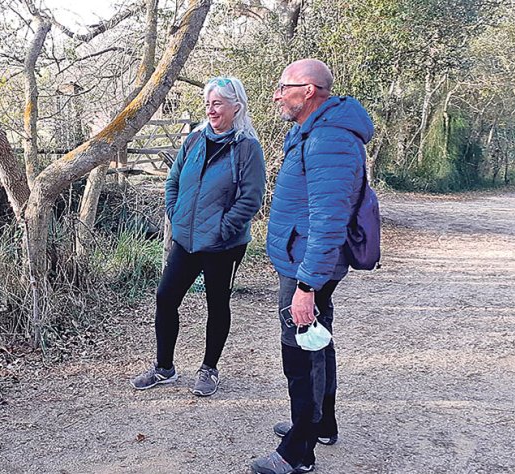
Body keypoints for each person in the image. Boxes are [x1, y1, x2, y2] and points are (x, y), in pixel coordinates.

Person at [248, 60, 373, 474]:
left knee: (300, 346)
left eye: (283, 87)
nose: (276, 95)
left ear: (309, 90)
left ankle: (298, 450)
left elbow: (328, 219)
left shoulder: (328, 139)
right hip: (302, 257)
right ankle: (321, 423)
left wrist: (307, 285)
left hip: (308, 263)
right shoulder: (313, 132)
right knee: (316, 339)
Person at [131, 76, 266, 397]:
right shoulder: (194, 140)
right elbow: (173, 180)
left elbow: (251, 198)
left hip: (224, 245)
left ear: (236, 107)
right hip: (186, 239)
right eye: (208, 104)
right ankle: (164, 367)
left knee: (217, 304)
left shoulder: (247, 148)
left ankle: (209, 368)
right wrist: (175, 213)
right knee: (166, 297)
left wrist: (222, 229)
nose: (211, 109)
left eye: (218, 103)